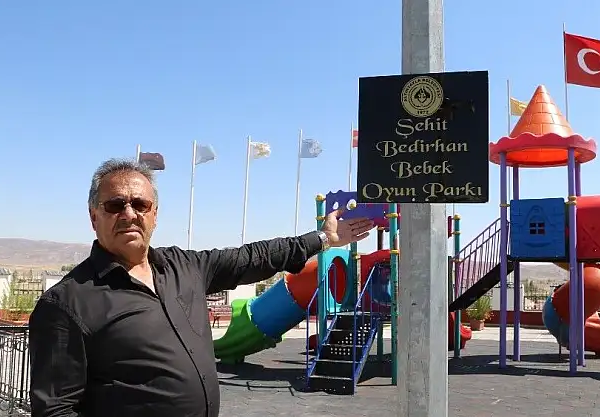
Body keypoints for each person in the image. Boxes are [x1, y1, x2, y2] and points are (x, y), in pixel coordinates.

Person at [28, 159, 374, 417]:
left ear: (154, 214)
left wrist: (323, 238)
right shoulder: (66, 304)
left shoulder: (184, 266)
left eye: (140, 205)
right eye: (115, 205)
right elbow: (56, 410)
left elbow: (253, 257)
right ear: (94, 217)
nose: (129, 214)